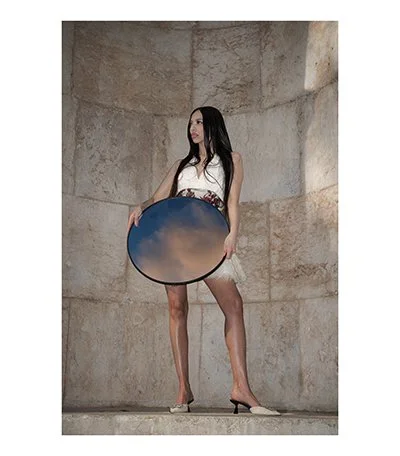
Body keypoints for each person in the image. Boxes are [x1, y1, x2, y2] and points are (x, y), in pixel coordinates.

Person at [127, 106, 280, 416]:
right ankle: (183, 390)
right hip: (174, 241)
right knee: (176, 308)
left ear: (212, 124)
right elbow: (157, 198)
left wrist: (233, 233)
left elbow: (233, 202)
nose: (193, 128)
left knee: (233, 305)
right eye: (190, 123)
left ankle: (241, 387)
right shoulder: (180, 165)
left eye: (198, 122)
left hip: (210, 239)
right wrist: (140, 206)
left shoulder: (232, 160)